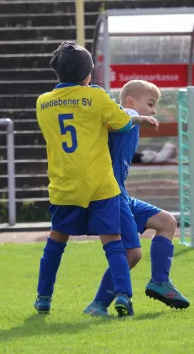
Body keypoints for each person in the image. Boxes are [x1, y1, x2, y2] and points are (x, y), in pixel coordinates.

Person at [33, 42, 158, 317]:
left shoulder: (43, 102)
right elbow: (121, 122)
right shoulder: (96, 96)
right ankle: (123, 295)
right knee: (113, 241)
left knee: (56, 241)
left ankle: (43, 297)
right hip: (100, 183)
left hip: (64, 184)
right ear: (88, 74)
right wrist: (140, 120)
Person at [84, 80, 190, 317]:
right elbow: (118, 118)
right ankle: (98, 304)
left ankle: (159, 282)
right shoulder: (126, 115)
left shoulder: (129, 122)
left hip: (122, 194)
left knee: (167, 222)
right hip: (109, 196)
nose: (154, 111)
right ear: (131, 101)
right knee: (132, 254)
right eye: (150, 104)